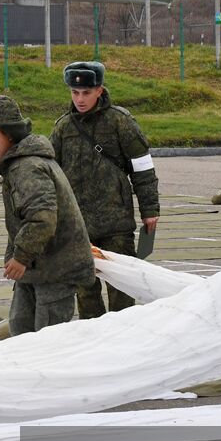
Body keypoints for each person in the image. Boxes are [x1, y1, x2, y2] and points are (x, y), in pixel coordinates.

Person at [0, 95, 94, 336]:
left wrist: (21, 257)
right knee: (21, 330)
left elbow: (42, 218)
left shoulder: (27, 166)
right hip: (37, 269)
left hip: (55, 270)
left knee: (48, 342)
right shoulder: (20, 164)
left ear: (8, 134)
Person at [51, 61, 160, 318]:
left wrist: (150, 210)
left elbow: (143, 169)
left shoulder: (119, 122)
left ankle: (123, 341)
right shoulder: (63, 127)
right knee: (85, 291)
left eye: (86, 92)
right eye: (75, 92)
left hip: (116, 224)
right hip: (79, 226)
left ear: (99, 90)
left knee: (122, 288)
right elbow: (51, 173)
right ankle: (93, 343)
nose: (80, 98)